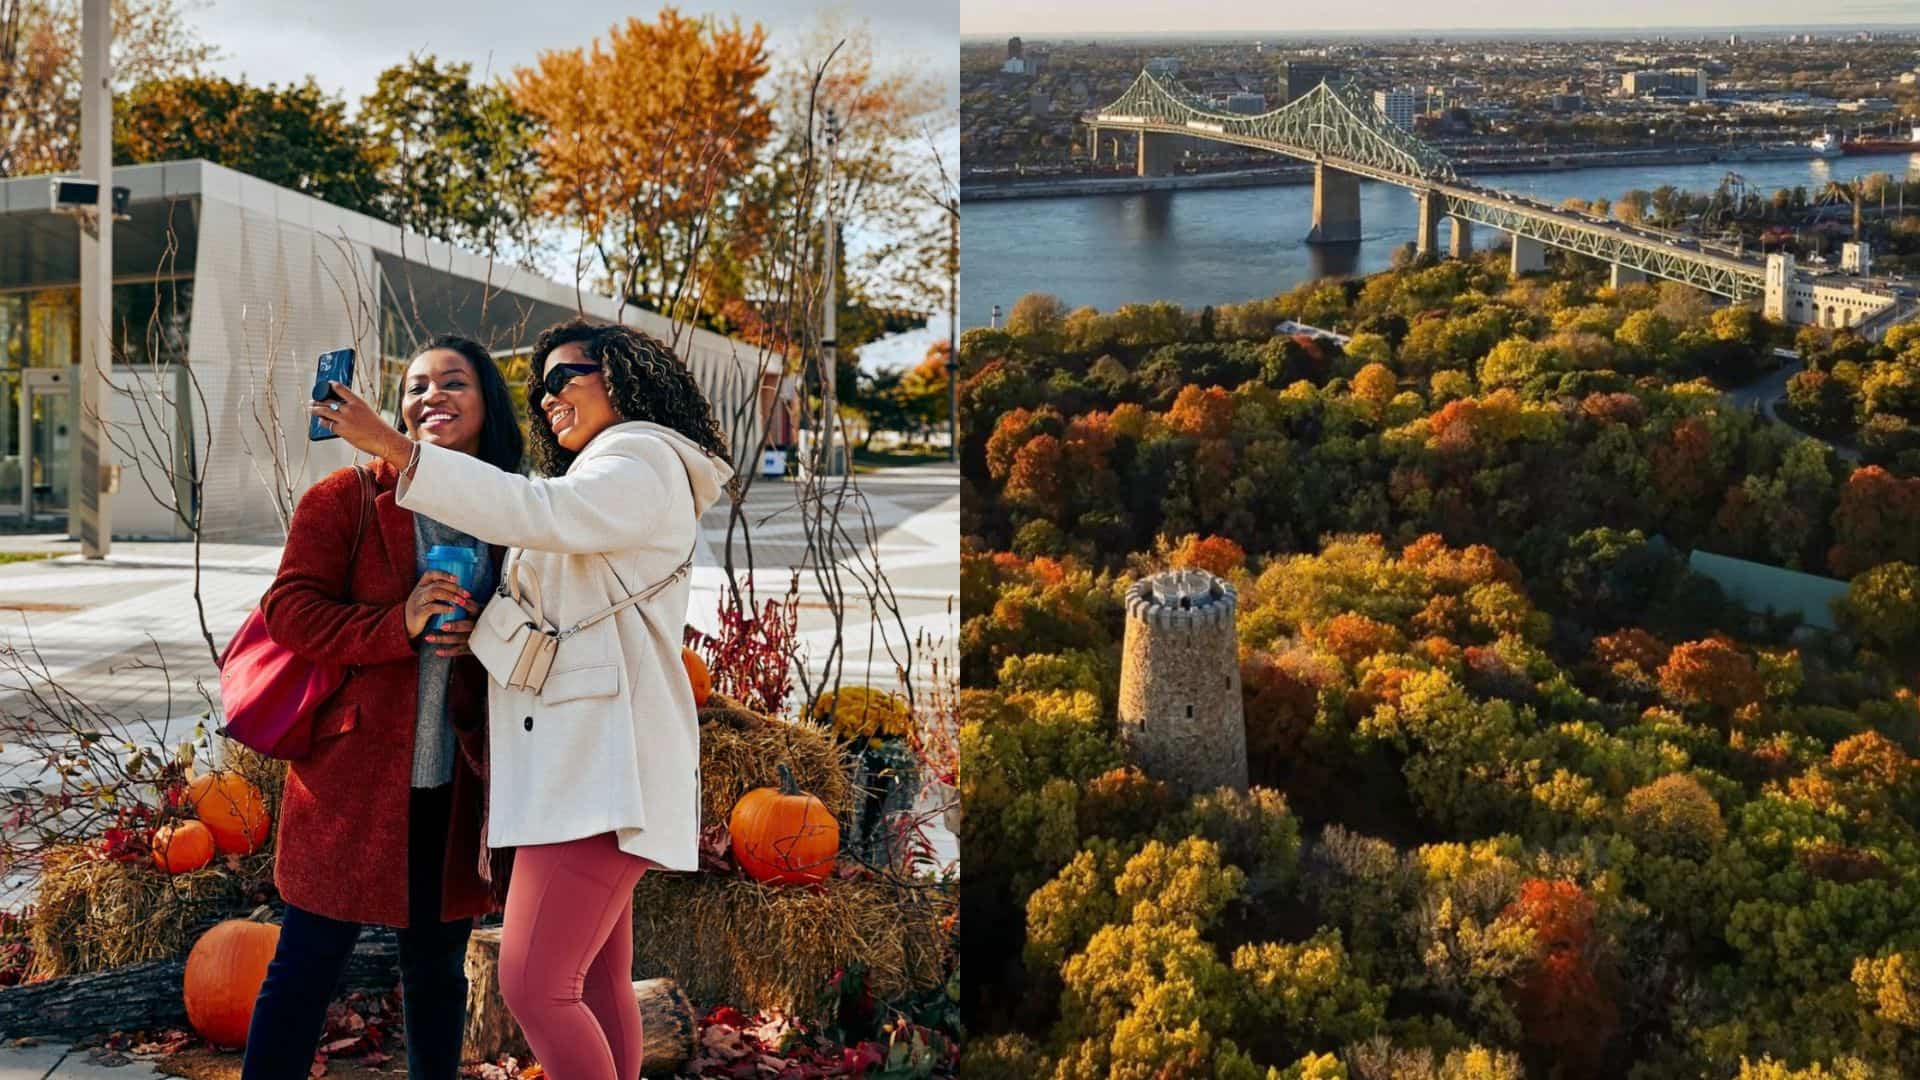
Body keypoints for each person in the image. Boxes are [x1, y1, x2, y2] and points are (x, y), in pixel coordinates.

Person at [310, 318, 735, 1080]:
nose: (546, 397)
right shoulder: (612, 470)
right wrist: (483, 626)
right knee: (598, 982)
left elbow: (537, 515)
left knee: (534, 985)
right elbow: (572, 626)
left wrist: (397, 448)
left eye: (564, 376)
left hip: (594, 771)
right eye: (537, 385)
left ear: (623, 377)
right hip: (587, 765)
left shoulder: (639, 457)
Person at [243, 336, 524, 1080]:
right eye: (415, 386)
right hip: (351, 781)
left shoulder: (513, 509)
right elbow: (289, 612)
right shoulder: (346, 499)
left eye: (453, 382)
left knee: (438, 977)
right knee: (305, 967)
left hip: (455, 782)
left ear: (488, 403)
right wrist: (394, 625)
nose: (431, 396)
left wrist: (487, 638)